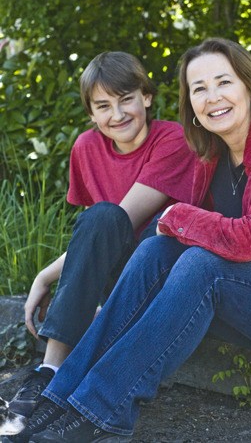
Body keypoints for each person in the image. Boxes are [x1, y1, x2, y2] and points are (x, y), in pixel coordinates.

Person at [4, 37, 251, 443]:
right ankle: (60, 395)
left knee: (201, 263)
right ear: (190, 103)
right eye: (199, 88)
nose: (213, 97)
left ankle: (100, 409)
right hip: (237, 307)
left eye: (223, 82)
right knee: (161, 248)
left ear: (249, 86)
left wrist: (173, 215)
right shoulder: (210, 155)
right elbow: (174, 243)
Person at [8, 51, 196, 420]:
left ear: (147, 96)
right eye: (103, 106)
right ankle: (49, 371)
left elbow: (124, 218)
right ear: (91, 114)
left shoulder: (173, 140)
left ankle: (66, 376)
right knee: (100, 217)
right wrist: (83, 288)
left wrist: (46, 275)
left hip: (160, 269)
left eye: (126, 99)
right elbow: (90, 237)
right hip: (115, 269)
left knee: (111, 215)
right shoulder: (86, 148)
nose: (118, 114)